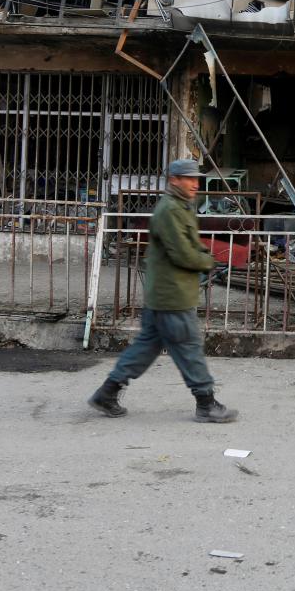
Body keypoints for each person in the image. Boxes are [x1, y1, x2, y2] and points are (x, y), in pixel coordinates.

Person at [88, 159, 237, 423]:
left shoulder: (179, 207)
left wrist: (204, 254)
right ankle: (206, 403)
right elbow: (182, 253)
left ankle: (106, 393)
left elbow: (188, 244)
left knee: (144, 348)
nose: (195, 184)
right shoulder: (170, 210)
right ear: (174, 180)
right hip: (173, 295)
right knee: (189, 348)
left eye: (196, 179)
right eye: (189, 179)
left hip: (164, 294)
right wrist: (208, 261)